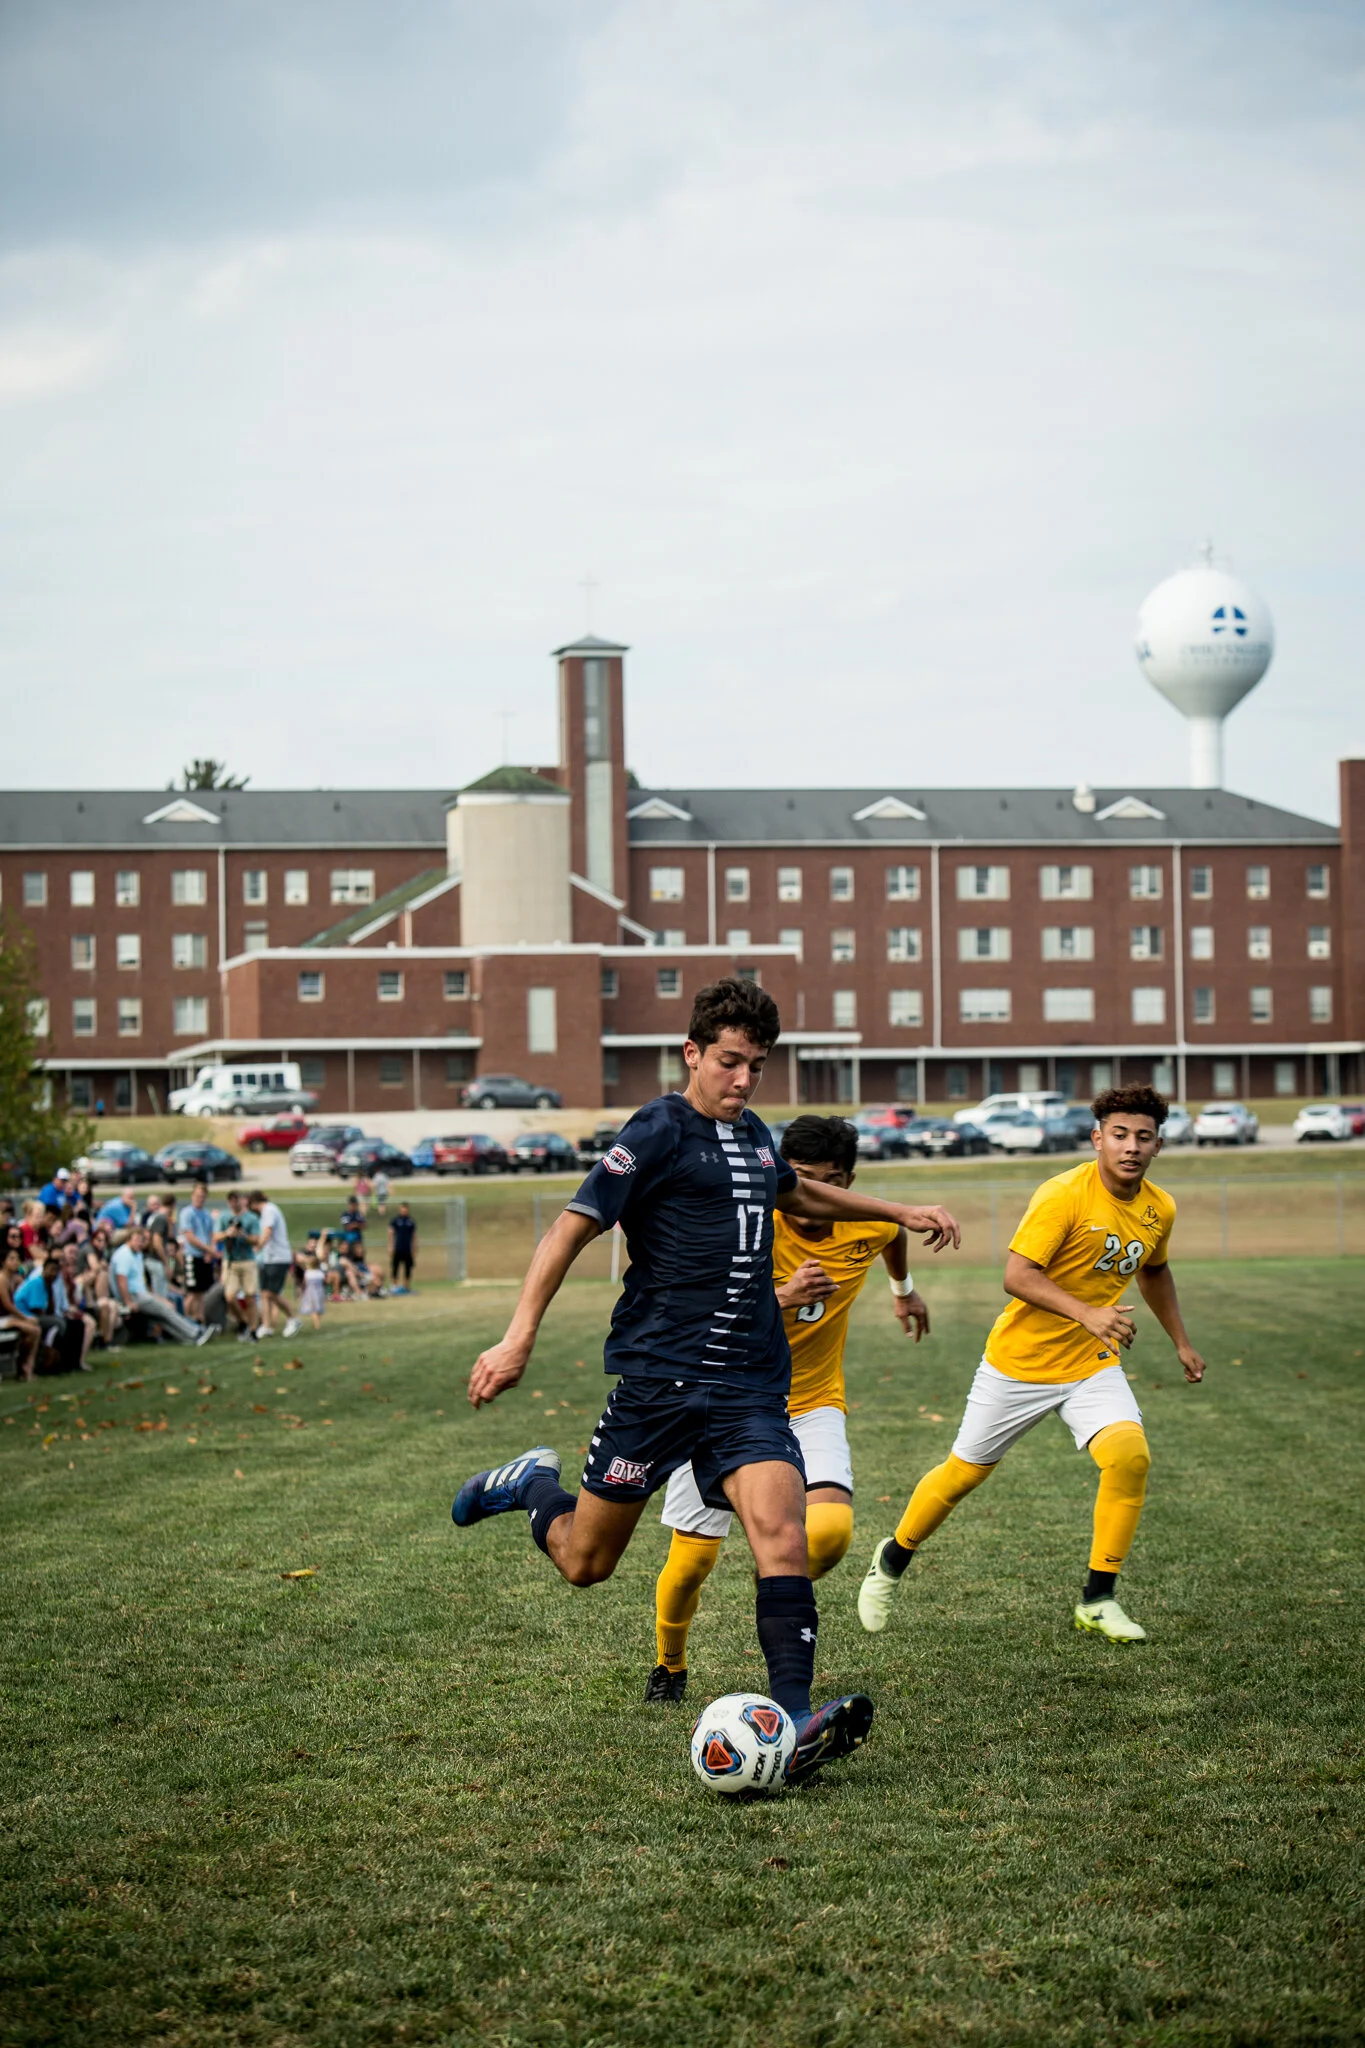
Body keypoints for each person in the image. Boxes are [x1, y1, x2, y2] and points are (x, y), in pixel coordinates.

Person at [450, 978, 961, 1786]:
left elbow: (795, 1189)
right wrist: (518, 1337)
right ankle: (532, 1486)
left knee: (783, 1534)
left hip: (748, 1385)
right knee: (586, 1563)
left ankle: (793, 1723)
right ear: (692, 1053)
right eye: (728, 1062)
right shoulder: (656, 1130)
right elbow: (570, 1228)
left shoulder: (757, 1136)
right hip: (655, 1382)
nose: (742, 1080)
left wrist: (897, 1210)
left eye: (755, 1066)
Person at [858, 1085, 1205, 1647]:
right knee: (962, 1476)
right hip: (1018, 1364)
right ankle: (892, 1559)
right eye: (1119, 1135)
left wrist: (1181, 1342)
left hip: (1090, 1364)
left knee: (1129, 1457)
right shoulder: (1063, 1195)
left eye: (1143, 1137)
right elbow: (1017, 1277)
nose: (1131, 1146)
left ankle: (1098, 1599)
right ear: (1098, 1139)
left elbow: (1155, 1272)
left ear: (1158, 1145)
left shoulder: (1158, 1207)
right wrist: (1088, 1313)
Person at [645, 1113, 931, 1704]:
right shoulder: (749, 1222)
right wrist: (784, 1294)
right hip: (720, 1400)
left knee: (827, 1534)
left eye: (826, 1180)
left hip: (810, 1401)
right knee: (691, 1565)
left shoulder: (865, 1222)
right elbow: (695, 1317)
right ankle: (669, 1665)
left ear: (845, 1183)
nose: (807, 1194)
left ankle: (773, 1594)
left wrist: (903, 1292)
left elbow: (891, 1234)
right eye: (797, 1176)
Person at [110, 1227, 216, 1346]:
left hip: (141, 1294)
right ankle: (195, 1333)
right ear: (128, 1239)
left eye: (142, 1240)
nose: (140, 1243)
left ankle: (189, 1338)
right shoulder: (124, 1255)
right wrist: (128, 1301)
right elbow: (121, 1281)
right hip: (133, 1296)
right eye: (137, 1240)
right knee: (166, 1310)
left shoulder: (137, 1254)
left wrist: (157, 1297)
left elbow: (141, 1284)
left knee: (163, 1314)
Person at [16, 1254, 94, 1372]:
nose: (53, 1273)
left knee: (77, 1324)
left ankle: (73, 1362)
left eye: (55, 1271)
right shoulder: (37, 1282)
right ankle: (49, 1353)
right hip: (26, 1316)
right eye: (51, 1270)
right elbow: (36, 1309)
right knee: (60, 1324)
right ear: (44, 1269)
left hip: (39, 1315)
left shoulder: (50, 1284)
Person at [249, 1190, 300, 1338]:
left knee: (272, 1293)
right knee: (264, 1293)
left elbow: (267, 1231)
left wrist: (258, 1246)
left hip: (279, 1257)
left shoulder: (269, 1210)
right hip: (269, 1258)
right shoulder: (266, 1212)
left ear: (254, 1203)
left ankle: (293, 1318)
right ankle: (266, 1326)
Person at [214, 1190, 261, 1340]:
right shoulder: (223, 1217)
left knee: (250, 1297)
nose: (234, 1203)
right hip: (231, 1261)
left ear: (243, 1201)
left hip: (247, 1260)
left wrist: (243, 1235)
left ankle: (253, 1330)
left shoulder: (251, 1218)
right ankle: (243, 1322)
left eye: (237, 1200)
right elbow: (216, 1236)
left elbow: (256, 1240)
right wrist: (227, 1233)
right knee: (229, 1296)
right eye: (231, 1201)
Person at [177, 1182, 218, 1321]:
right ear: (192, 1195)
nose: (199, 1199)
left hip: (205, 1256)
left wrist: (210, 1251)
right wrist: (209, 1250)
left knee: (201, 1292)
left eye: (202, 1196)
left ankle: (199, 1318)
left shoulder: (206, 1215)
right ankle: (182, 1319)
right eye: (197, 1196)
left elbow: (212, 1235)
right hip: (192, 1255)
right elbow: (190, 1236)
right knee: (193, 1292)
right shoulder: (187, 1213)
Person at [0, 1245, 42, 1379]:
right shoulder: (2, 1279)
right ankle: (25, 1366)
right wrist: (24, 1318)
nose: (15, 1262)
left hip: (8, 1318)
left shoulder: (14, 1278)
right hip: (2, 1318)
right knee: (34, 1330)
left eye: (17, 1259)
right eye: (11, 1259)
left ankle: (26, 1365)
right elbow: (7, 1305)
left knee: (34, 1330)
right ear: (3, 1262)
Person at [388, 1202, 417, 1291]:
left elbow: (414, 1235)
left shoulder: (410, 1221)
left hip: (407, 1248)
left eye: (406, 1209)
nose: (404, 1211)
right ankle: (394, 1286)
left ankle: (406, 1287)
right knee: (395, 1267)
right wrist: (390, 1246)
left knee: (408, 1268)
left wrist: (414, 1248)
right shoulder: (395, 1220)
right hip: (398, 1248)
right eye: (402, 1209)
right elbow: (390, 1233)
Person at [298, 1250, 327, 1332]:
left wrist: (302, 1291)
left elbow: (304, 1283)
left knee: (313, 1309)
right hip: (319, 1292)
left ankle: (317, 1324)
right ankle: (317, 1323)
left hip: (310, 1293)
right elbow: (325, 1281)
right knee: (317, 1309)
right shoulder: (320, 1273)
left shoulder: (307, 1273)